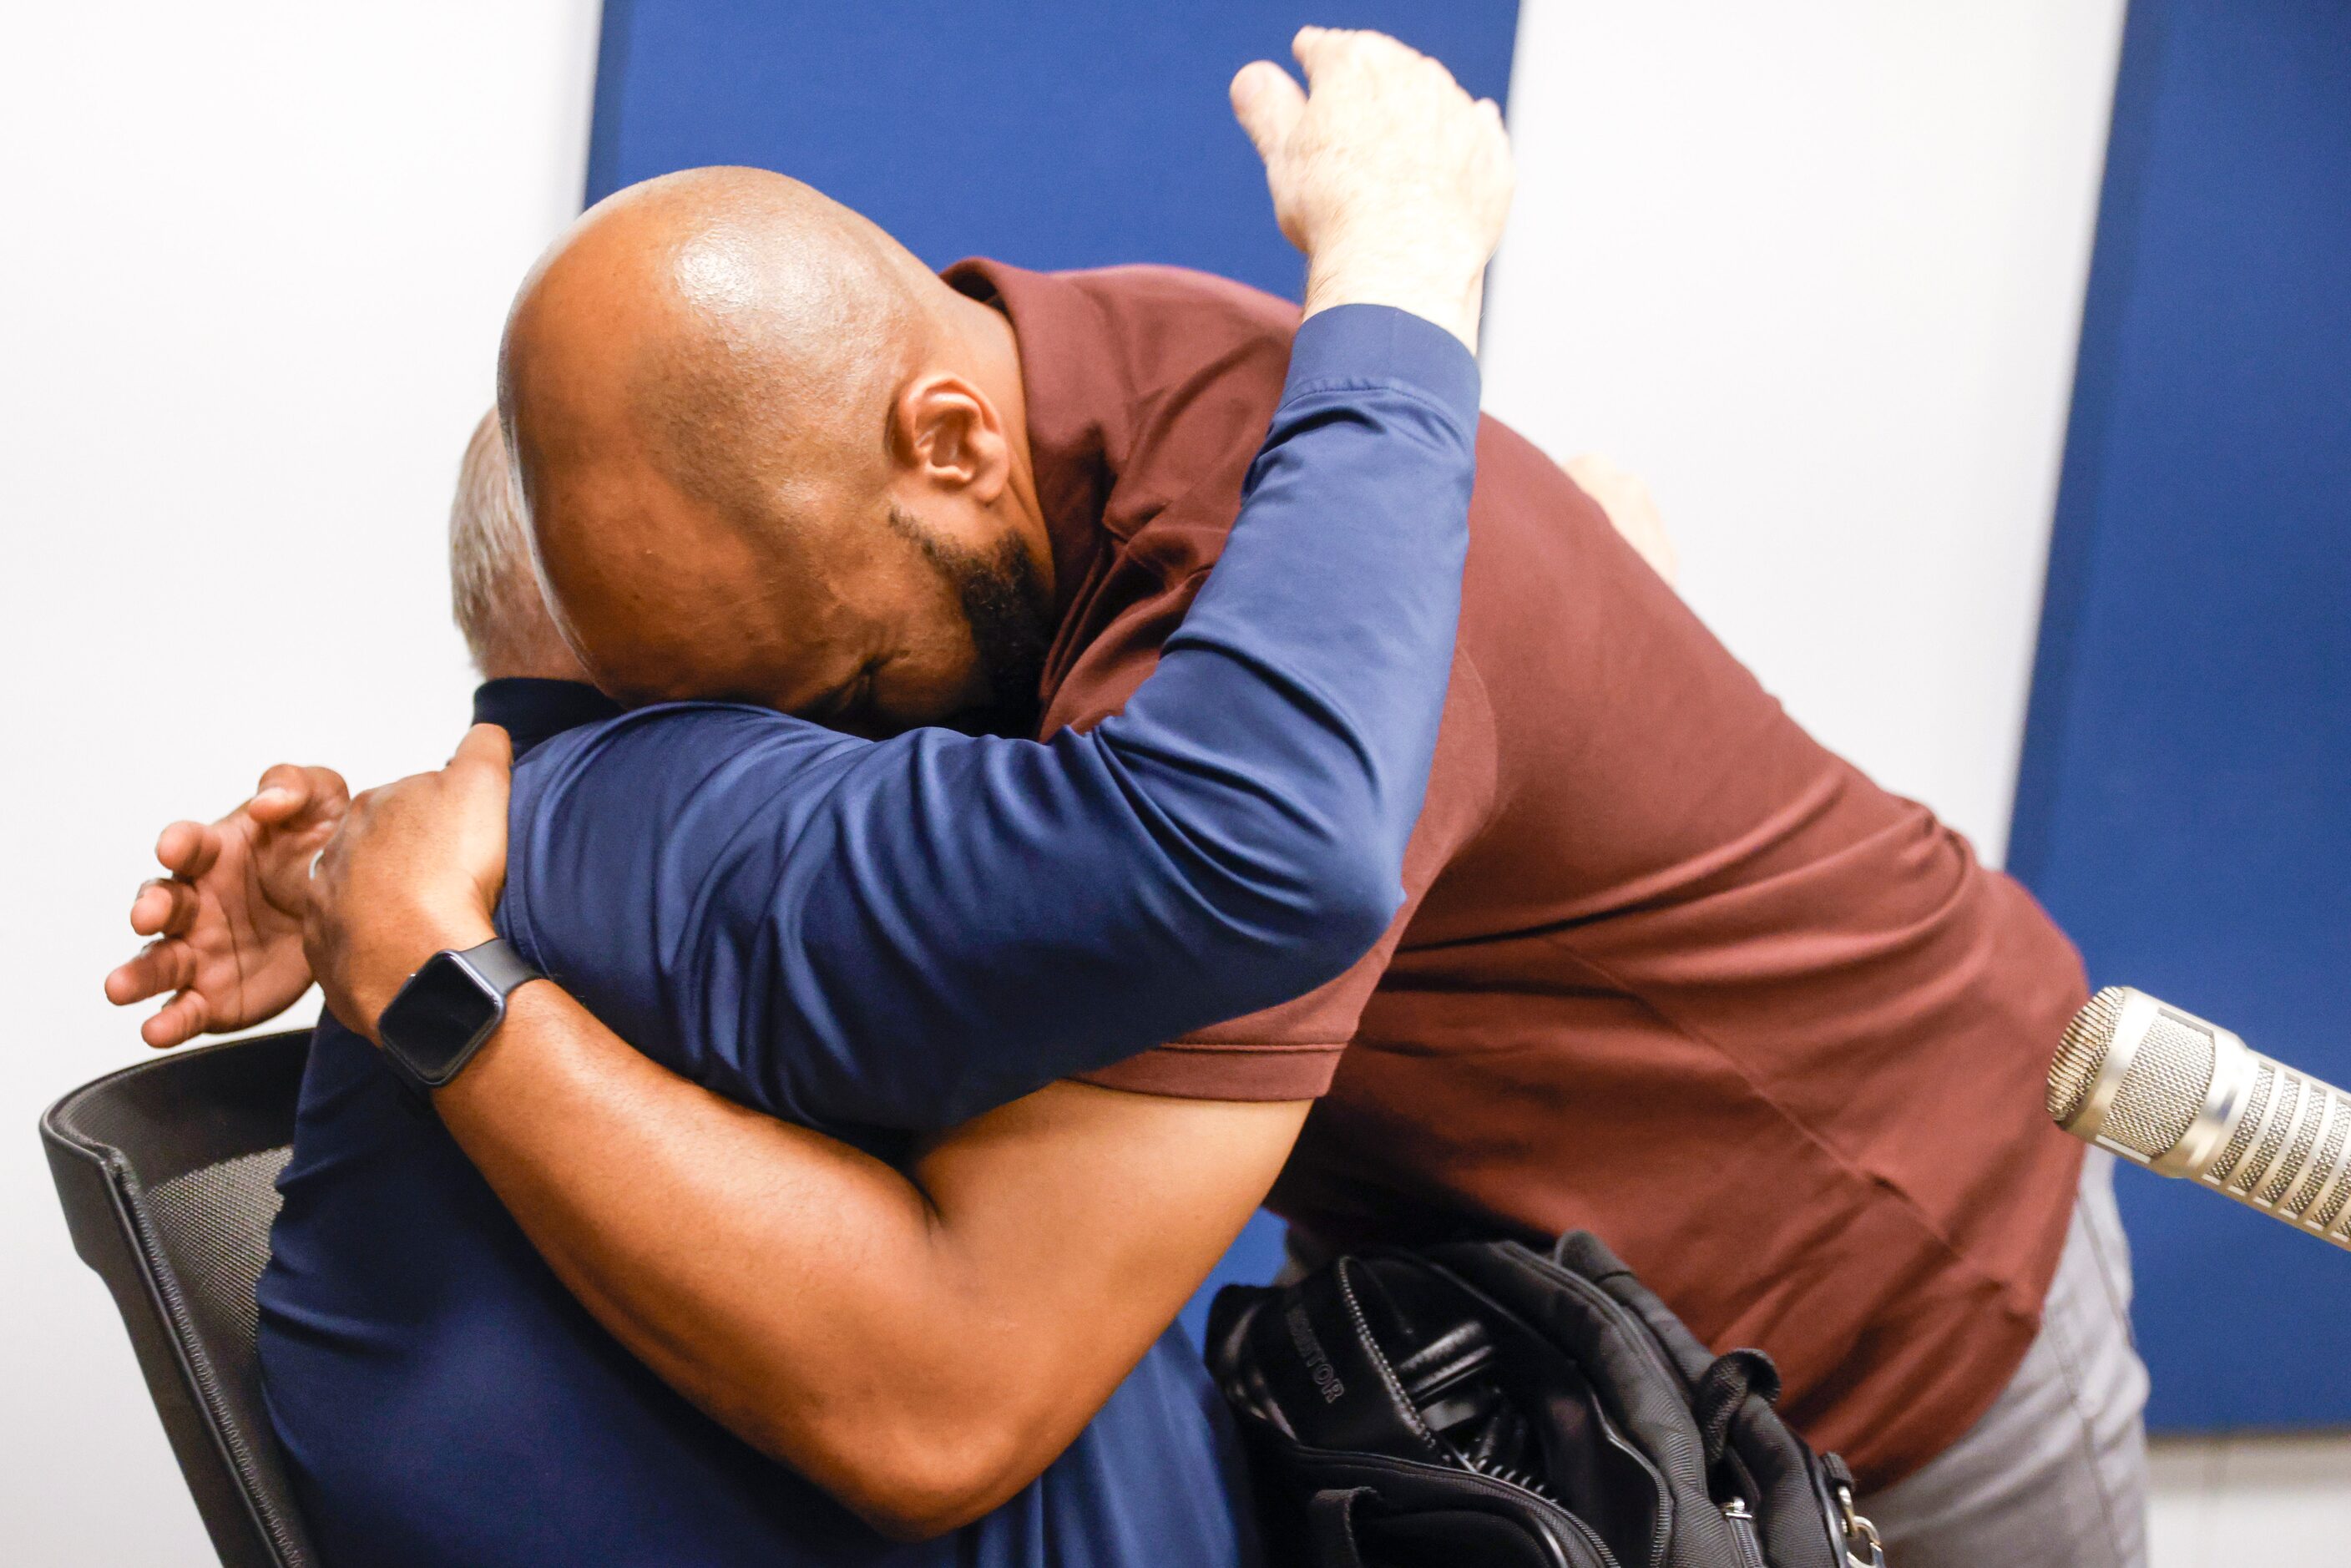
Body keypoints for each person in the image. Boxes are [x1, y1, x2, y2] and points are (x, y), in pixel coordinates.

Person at [114, 33, 2147, 1568]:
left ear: (945, 443)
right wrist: (398, 846)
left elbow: (954, 1388)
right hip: (1558, 1332)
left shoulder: (1263, 627)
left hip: (1910, 1311)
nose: (798, 765)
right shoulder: (1021, 456)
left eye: (823, 698)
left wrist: (1401, 268)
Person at [116, 31, 1510, 1565]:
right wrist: (1400, 298)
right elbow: (1243, 846)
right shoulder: (665, 820)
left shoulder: (508, 854)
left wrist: (349, 888)